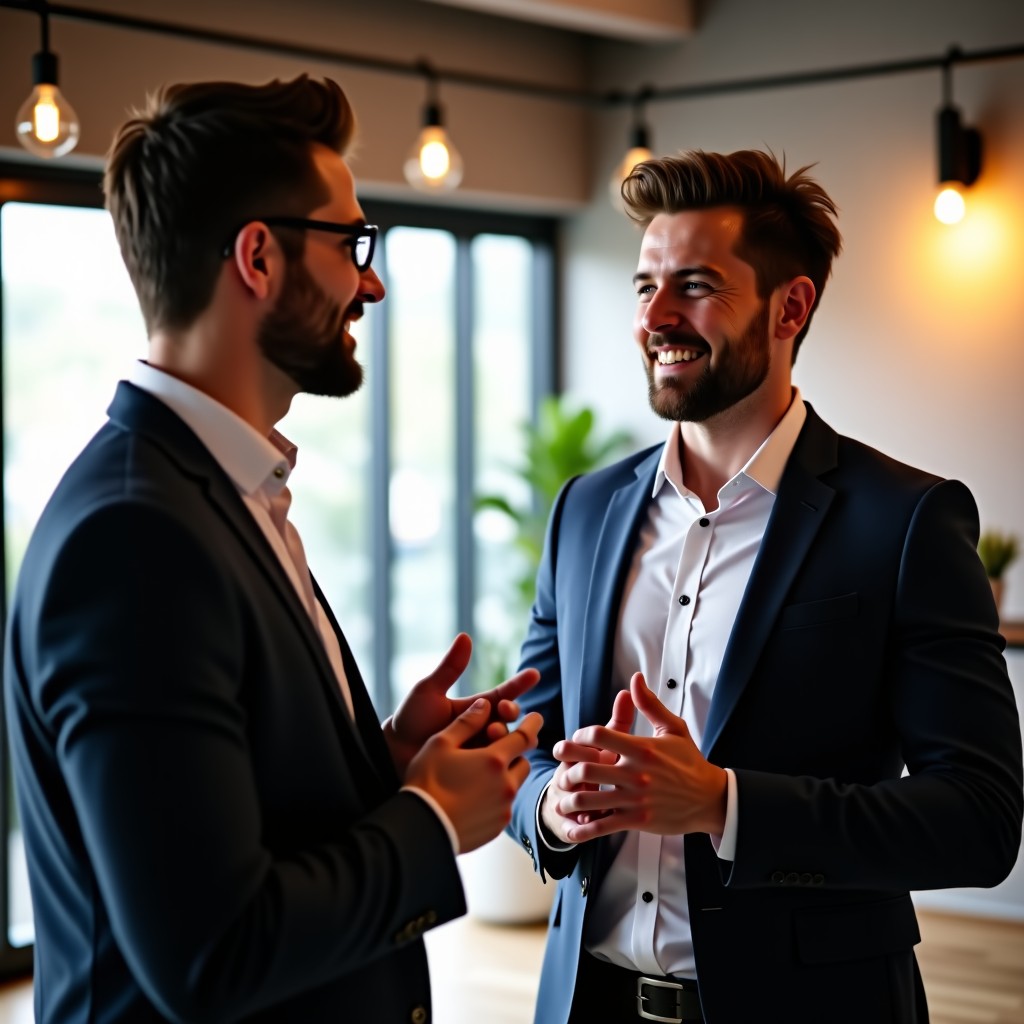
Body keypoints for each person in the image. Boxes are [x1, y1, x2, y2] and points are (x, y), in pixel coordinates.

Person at [3, 75, 543, 1024]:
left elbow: (237, 817)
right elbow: (210, 953)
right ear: (258, 257)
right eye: (351, 244)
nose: (372, 282)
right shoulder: (134, 538)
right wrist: (429, 819)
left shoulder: (226, 493)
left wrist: (385, 764)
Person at [507, 149, 1023, 1024]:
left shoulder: (905, 522)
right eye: (645, 287)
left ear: (791, 307)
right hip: (585, 1003)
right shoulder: (584, 511)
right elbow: (528, 746)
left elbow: (979, 819)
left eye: (696, 286)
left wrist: (724, 805)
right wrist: (549, 808)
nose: (655, 317)